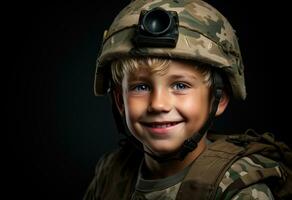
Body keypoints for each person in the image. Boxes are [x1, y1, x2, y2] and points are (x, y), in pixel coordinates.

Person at [83, 0, 283, 199]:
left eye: (180, 86)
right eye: (141, 87)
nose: (158, 105)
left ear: (219, 99)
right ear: (120, 101)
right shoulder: (110, 174)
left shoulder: (238, 189)